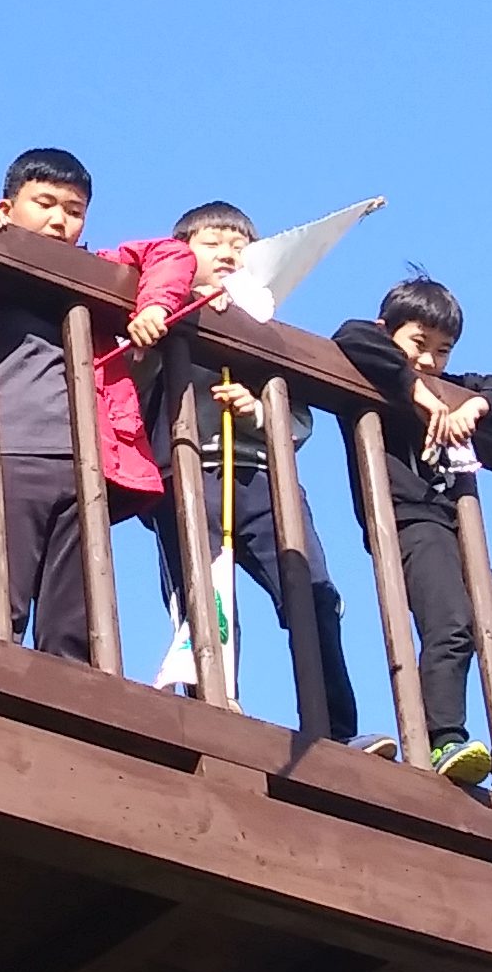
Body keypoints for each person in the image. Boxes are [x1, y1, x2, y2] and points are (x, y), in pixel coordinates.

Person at [117, 204, 370, 747]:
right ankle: (214, 699)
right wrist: (164, 325)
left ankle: (332, 727)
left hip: (262, 476)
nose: (228, 254)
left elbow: (297, 423)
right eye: (212, 244)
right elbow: (129, 383)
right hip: (187, 470)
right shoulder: (160, 307)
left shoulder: (263, 326)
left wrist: (256, 410)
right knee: (203, 590)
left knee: (312, 592)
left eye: (239, 246)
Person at [0, 150, 177, 662]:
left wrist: (154, 304)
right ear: (7, 206)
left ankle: (70, 707)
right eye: (44, 204)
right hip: (2, 454)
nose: (60, 220)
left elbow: (170, 254)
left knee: (74, 623)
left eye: (74, 210)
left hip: (87, 462)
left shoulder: (95, 275)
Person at [331, 274, 492, 791]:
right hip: (408, 519)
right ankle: (444, 739)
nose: (430, 360)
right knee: (451, 623)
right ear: (390, 331)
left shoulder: (452, 389)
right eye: (419, 343)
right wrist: (417, 392)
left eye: (442, 350)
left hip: (457, 531)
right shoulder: (378, 370)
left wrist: (474, 406)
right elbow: (351, 335)